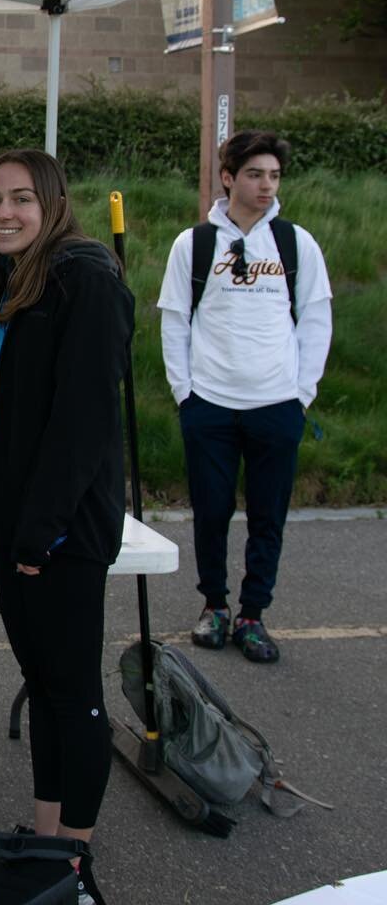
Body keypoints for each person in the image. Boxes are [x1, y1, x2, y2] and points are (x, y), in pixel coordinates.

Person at [0, 149, 133, 902]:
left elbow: (83, 424)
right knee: (42, 683)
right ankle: (43, 844)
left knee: (74, 696)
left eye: (21, 199)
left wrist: (37, 533)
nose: (4, 212)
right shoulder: (9, 283)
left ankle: (76, 866)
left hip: (61, 533)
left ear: (53, 203)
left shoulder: (87, 280)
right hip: (17, 524)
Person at [158, 130, 332, 664]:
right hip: (208, 404)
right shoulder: (195, 244)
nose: (266, 185)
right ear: (228, 177)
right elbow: (174, 321)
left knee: (267, 516)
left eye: (274, 175)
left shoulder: (295, 243)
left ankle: (254, 614)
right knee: (211, 513)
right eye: (255, 174)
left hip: (277, 406)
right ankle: (214, 606)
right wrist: (185, 393)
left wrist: (300, 395)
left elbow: (316, 321)